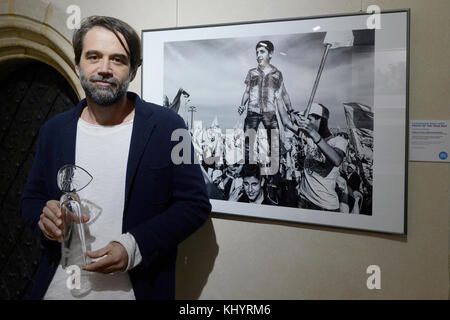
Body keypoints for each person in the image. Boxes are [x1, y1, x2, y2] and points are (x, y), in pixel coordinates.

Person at [20, 16, 211, 300]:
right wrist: (44, 219)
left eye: (118, 60)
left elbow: (195, 204)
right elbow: (31, 200)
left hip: (134, 291)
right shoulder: (53, 130)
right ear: (78, 65)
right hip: (57, 289)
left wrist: (133, 245)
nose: (104, 69)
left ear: (133, 71)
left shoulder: (170, 126)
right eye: (94, 56)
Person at [237, 40, 295, 166]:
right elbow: (247, 91)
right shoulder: (252, 72)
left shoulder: (277, 74)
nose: (258, 55)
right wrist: (242, 105)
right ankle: (249, 171)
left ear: (271, 54)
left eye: (262, 52)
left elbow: (284, 93)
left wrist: (291, 110)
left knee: (275, 143)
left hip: (269, 112)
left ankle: (274, 174)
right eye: (257, 52)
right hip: (253, 111)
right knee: (248, 143)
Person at [291, 103, 348, 211]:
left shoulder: (339, 141)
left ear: (321, 121)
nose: (307, 123)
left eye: (310, 119)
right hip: (303, 199)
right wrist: (278, 93)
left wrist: (313, 133)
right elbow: (286, 121)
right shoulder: (309, 138)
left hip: (324, 206)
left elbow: (337, 160)